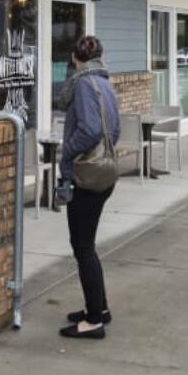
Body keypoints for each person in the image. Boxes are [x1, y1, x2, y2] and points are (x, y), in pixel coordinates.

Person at [55, 35, 121, 338]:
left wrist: (67, 150)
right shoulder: (105, 83)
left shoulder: (83, 84)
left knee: (83, 248)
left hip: (86, 177)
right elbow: (114, 130)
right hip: (103, 173)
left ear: (74, 58)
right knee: (86, 246)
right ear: (101, 56)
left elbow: (91, 130)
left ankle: (94, 320)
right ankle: (100, 307)